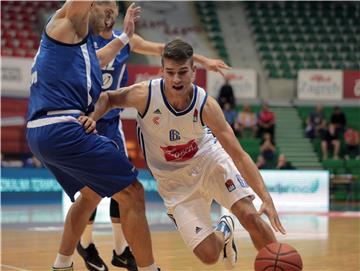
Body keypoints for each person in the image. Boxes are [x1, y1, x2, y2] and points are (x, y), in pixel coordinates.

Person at [90, 39, 285, 269]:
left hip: (209, 160)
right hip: (174, 183)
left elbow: (239, 155)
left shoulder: (206, 105)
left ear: (193, 71)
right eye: (170, 72)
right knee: (209, 255)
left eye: (183, 72)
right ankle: (224, 230)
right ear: (161, 71)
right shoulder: (145, 94)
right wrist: (91, 119)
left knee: (250, 216)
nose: (176, 79)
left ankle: (278, 265)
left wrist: (267, 198)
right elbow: (109, 98)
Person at [77, 2, 231, 270]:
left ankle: (120, 250)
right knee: (90, 192)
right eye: (102, 5)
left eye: (112, 5)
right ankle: (85, 244)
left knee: (123, 186)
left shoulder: (125, 40)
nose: (108, 11)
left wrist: (203, 61)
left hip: (110, 120)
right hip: (86, 116)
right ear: (93, 10)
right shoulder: (84, 40)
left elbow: (162, 49)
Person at [25, 2, 159, 271]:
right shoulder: (67, 21)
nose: (111, 13)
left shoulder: (78, 44)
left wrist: (124, 37)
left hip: (43, 131)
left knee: (90, 197)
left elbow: (98, 60)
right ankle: (148, 268)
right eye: (105, 5)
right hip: (63, 125)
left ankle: (62, 264)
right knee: (133, 194)